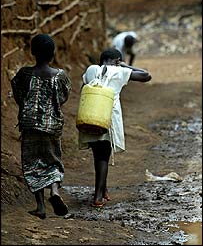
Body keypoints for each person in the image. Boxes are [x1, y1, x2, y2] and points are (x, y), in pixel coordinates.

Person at [78, 48, 151, 207]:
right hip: (107, 117)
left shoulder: (91, 70)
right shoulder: (119, 71)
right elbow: (146, 75)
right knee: (104, 157)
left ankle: (103, 190)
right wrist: (126, 65)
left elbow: (83, 89)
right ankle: (98, 197)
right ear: (117, 60)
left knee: (97, 154)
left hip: (89, 115)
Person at [11, 34, 72, 219]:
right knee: (53, 160)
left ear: (33, 53)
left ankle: (40, 207)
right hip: (52, 125)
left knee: (32, 164)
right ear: (53, 54)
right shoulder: (60, 75)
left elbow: (18, 94)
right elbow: (63, 97)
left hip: (30, 124)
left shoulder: (24, 73)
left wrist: (26, 108)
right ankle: (54, 191)